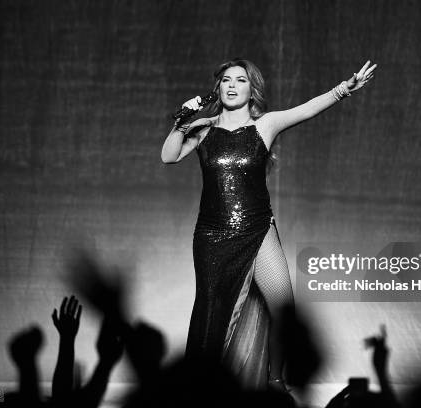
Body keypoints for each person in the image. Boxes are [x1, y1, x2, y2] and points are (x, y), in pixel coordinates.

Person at [161, 58, 376, 390]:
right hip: (212, 236)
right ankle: (200, 388)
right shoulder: (203, 127)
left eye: (240, 80)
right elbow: (168, 156)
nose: (232, 85)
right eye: (226, 80)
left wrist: (343, 89)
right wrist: (181, 120)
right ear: (218, 88)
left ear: (251, 89)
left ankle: (277, 384)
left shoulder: (266, 125)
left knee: (283, 308)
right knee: (209, 313)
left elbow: (307, 109)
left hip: (258, 229)